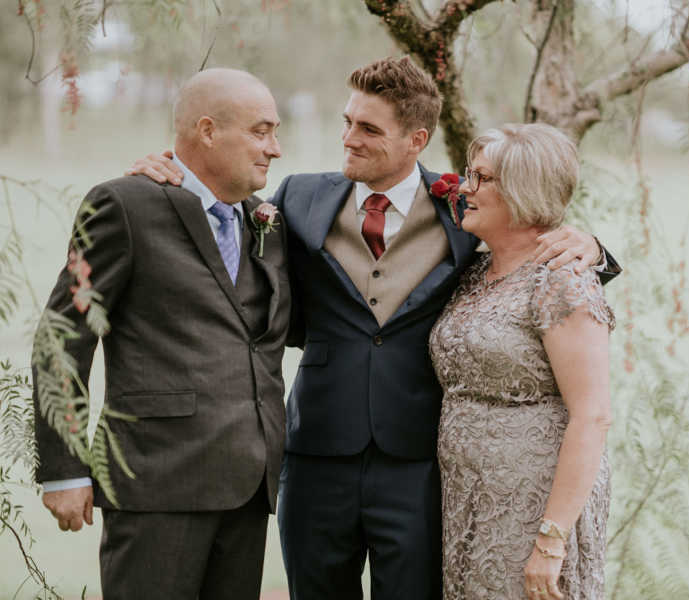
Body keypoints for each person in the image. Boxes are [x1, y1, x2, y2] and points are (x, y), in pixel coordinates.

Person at [128, 56, 620, 599]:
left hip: (417, 463)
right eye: (347, 122)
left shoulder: (461, 205)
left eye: (368, 129)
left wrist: (594, 249)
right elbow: (218, 232)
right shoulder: (297, 197)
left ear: (416, 139)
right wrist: (170, 176)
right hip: (316, 452)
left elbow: (526, 237)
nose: (349, 138)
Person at [32, 68, 291, 600]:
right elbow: (62, 337)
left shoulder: (264, 221)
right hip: (157, 484)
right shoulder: (125, 205)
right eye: (261, 132)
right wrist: (63, 470)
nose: (276, 148)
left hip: (247, 487)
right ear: (207, 130)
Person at [429, 123, 614, 600]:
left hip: (533, 505)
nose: (464, 188)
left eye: (482, 179)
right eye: (469, 174)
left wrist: (551, 542)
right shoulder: (473, 273)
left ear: (523, 191)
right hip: (468, 501)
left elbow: (592, 415)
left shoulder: (563, 280)